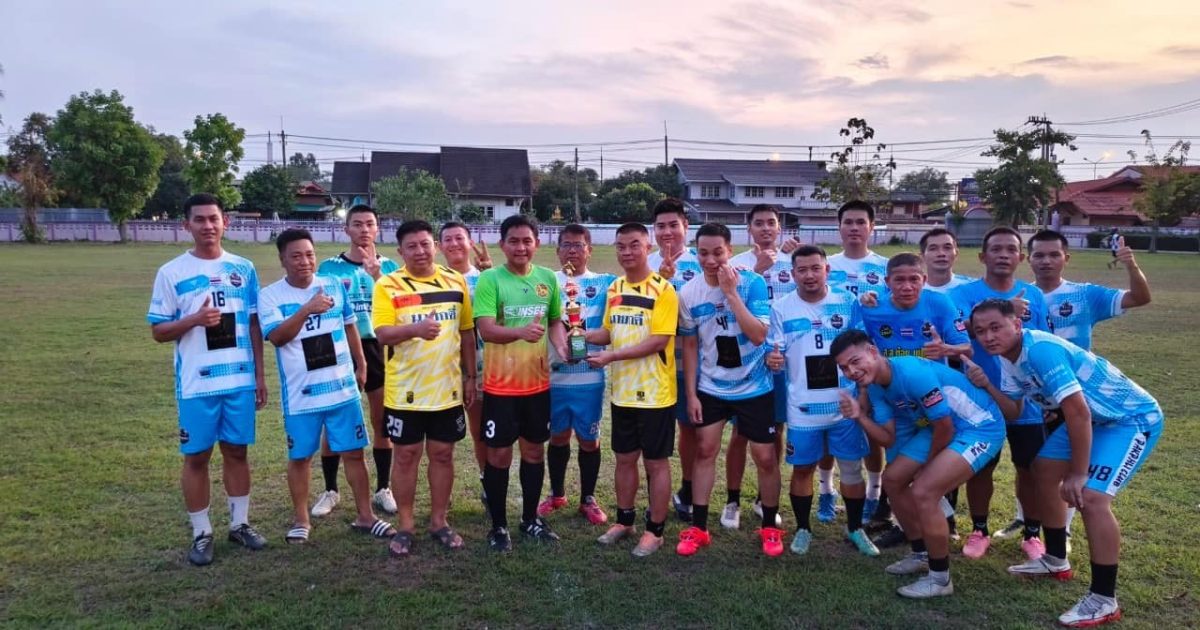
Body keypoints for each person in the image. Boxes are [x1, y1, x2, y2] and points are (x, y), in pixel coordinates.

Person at [968, 299, 1163, 627]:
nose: (988, 337)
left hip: (1128, 418)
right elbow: (1014, 411)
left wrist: (1078, 473)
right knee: (1043, 469)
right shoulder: (1007, 358)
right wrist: (986, 385)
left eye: (995, 327)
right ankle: (1056, 559)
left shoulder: (1040, 350)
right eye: (980, 331)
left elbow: (1077, 412)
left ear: (1016, 324)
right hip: (1095, 418)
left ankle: (1103, 599)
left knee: (1092, 498)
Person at [831, 331, 1006, 599]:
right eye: (844, 367)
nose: (851, 371)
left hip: (978, 426)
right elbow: (888, 438)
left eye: (855, 361)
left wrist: (927, 468)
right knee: (893, 480)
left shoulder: (912, 373)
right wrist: (859, 416)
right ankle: (921, 553)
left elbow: (945, 427)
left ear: (873, 351)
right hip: (940, 427)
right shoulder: (875, 386)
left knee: (924, 490)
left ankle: (940, 579)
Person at [147, 193, 268, 566]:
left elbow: (253, 325)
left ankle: (239, 524)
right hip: (197, 384)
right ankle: (201, 533)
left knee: (237, 451)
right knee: (196, 456)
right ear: (187, 225)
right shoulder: (171, 272)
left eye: (213, 218)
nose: (208, 225)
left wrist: (260, 376)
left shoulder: (244, 268)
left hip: (239, 381)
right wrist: (194, 320)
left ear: (225, 222)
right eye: (199, 219)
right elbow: (159, 331)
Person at [259, 228, 395, 545]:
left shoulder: (332, 284)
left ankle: (366, 516)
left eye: (309, 254)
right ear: (282, 260)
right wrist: (307, 309)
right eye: (296, 256)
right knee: (300, 457)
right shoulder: (270, 295)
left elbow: (350, 324)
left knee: (354, 453)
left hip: (341, 390)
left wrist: (361, 363)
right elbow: (277, 337)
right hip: (302, 394)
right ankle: (301, 520)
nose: (305, 261)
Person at [765, 245, 878, 557]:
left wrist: (863, 395)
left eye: (816, 268)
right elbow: (773, 350)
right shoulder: (781, 307)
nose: (809, 275)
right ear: (792, 274)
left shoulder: (847, 301)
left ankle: (855, 528)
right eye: (802, 270)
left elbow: (864, 350)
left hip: (845, 405)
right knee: (802, 469)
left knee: (851, 468)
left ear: (827, 270)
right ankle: (803, 529)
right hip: (803, 408)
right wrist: (772, 359)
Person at [676, 223, 782, 556]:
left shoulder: (752, 282)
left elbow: (758, 335)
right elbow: (690, 346)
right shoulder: (688, 293)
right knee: (705, 451)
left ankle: (769, 527)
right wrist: (692, 394)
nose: (710, 260)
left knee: (765, 457)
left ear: (730, 251)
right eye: (703, 253)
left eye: (718, 253)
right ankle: (699, 528)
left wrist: (731, 293)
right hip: (712, 387)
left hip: (755, 386)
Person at [373, 220, 475, 556]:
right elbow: (383, 334)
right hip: (406, 391)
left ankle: (439, 522)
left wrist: (470, 376)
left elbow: (466, 332)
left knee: (443, 455)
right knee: (406, 457)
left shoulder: (455, 280)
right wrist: (414, 330)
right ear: (400, 251)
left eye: (425, 244)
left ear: (436, 246)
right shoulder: (388, 285)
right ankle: (405, 526)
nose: (420, 251)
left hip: (447, 390)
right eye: (412, 246)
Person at [949, 226, 1052, 558]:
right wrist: (1005, 308)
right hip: (980, 397)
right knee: (981, 466)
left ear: (1021, 257)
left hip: (1027, 400)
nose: (1004, 255)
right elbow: (957, 335)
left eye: (1011, 249)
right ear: (983, 256)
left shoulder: (1034, 296)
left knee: (1030, 467)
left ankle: (1032, 533)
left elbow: (1044, 343)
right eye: (996, 249)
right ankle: (979, 530)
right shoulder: (962, 294)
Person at [858, 253, 973, 543]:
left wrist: (945, 349)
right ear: (887, 282)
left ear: (924, 279)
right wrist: (865, 392)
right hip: (894, 400)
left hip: (933, 398)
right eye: (899, 280)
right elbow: (860, 349)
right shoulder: (872, 308)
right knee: (898, 465)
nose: (907, 286)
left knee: (935, 462)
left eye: (914, 279)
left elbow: (967, 347)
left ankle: (945, 522)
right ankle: (906, 527)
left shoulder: (939, 303)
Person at [473, 215, 569, 551]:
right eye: (513, 241)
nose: (521, 247)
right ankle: (498, 526)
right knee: (499, 457)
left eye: (527, 241)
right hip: (500, 387)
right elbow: (486, 329)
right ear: (502, 245)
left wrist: (562, 346)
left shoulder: (547, 279)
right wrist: (520, 332)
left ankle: (530, 519)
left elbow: (555, 321)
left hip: (537, 386)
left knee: (533, 452)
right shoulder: (490, 279)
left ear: (537, 244)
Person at [586, 222, 679, 557]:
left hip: (655, 394)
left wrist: (611, 356)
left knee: (656, 463)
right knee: (624, 459)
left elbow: (658, 341)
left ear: (648, 247)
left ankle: (655, 531)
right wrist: (580, 334)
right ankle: (624, 522)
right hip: (623, 392)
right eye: (621, 246)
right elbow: (608, 332)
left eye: (634, 245)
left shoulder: (663, 290)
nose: (627, 252)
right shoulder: (615, 288)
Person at [313, 205, 401, 519]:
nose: (364, 229)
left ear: (377, 229)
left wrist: (377, 275)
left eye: (369, 224)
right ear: (346, 229)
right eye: (357, 224)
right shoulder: (329, 267)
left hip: (378, 346)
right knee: (334, 420)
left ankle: (383, 488)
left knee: (381, 419)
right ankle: (330, 490)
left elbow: (400, 306)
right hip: (339, 347)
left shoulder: (390, 266)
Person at [722, 203, 796, 529]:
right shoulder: (736, 265)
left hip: (781, 358)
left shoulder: (793, 262)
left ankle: (763, 500)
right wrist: (758, 269)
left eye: (771, 223)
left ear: (779, 228)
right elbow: (727, 306)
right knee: (740, 431)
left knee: (775, 429)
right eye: (759, 223)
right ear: (749, 228)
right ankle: (732, 500)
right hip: (748, 359)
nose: (766, 228)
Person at [536, 224, 615, 526]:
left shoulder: (606, 283)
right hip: (554, 377)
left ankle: (588, 499)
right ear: (557, 251)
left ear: (589, 250)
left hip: (589, 378)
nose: (572, 250)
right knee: (557, 437)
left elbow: (615, 323)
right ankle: (557, 494)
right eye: (566, 245)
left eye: (578, 245)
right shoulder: (546, 282)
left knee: (589, 440)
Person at [825, 200, 890, 527]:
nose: (854, 228)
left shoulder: (884, 267)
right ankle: (826, 488)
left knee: (873, 429)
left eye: (860, 222)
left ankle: (874, 493)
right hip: (831, 360)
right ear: (839, 227)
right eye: (848, 222)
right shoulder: (826, 264)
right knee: (828, 423)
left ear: (871, 227)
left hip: (872, 363)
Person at [646, 198, 703, 523]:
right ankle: (655, 496)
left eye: (673, 225)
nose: (667, 232)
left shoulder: (701, 261)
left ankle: (688, 488)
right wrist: (660, 281)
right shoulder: (646, 262)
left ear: (686, 227)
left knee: (689, 427)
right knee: (653, 431)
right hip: (653, 362)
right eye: (661, 226)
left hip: (691, 362)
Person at [1028, 229, 1151, 352]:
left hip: (1075, 365)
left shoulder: (1084, 295)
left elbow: (1139, 298)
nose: (1046, 261)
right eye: (1039, 255)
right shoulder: (1020, 297)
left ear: (1066, 259)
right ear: (1029, 260)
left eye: (1054, 255)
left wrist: (1132, 266)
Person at [438, 221, 488, 504]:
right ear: (440, 246)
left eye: (460, 238)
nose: (455, 244)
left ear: (470, 242)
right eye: (448, 239)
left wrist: (491, 273)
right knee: (443, 436)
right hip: (443, 368)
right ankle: (441, 495)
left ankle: (486, 481)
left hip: (480, 365)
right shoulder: (434, 279)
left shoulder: (486, 278)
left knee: (479, 428)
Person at [919, 228, 974, 295]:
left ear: (956, 254)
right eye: (933, 249)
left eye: (947, 248)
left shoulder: (972, 288)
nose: (941, 253)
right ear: (922, 256)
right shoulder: (913, 291)